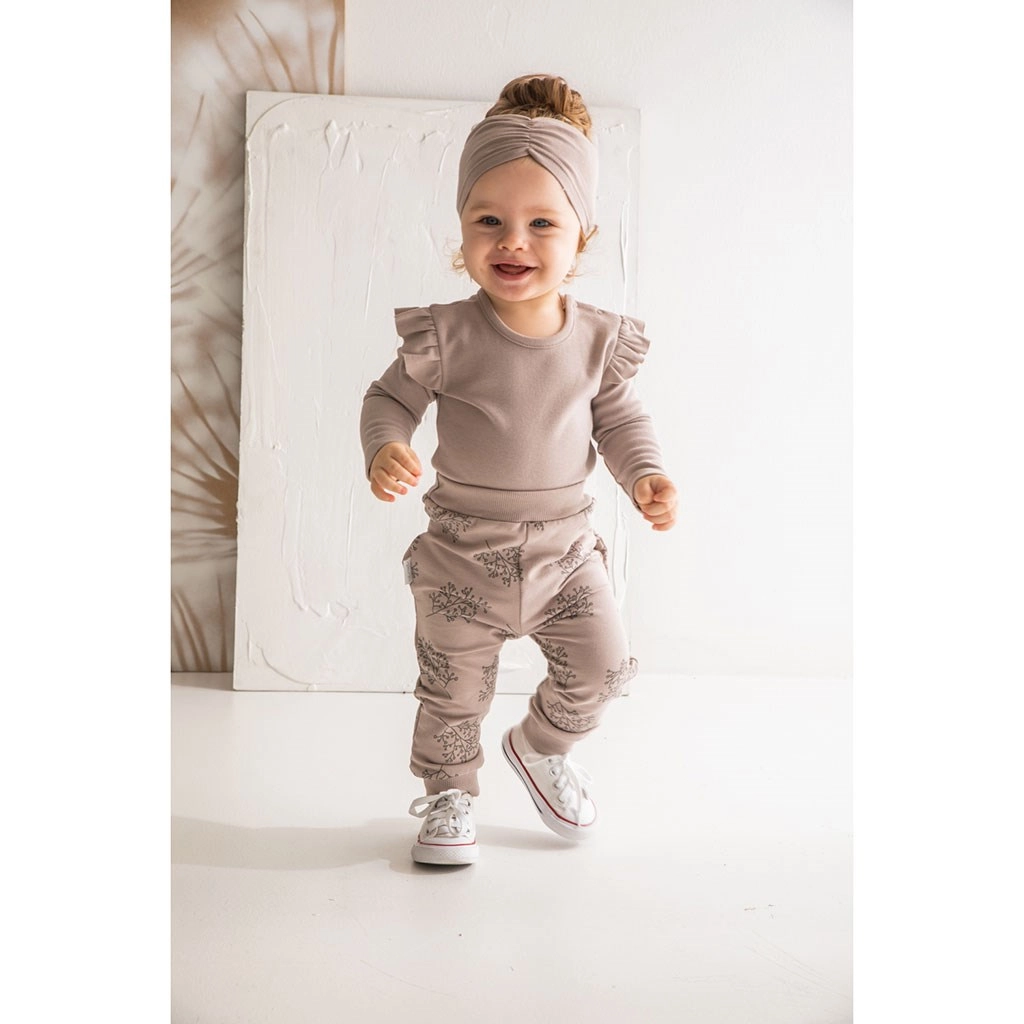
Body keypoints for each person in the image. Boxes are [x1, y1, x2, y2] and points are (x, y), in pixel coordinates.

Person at [360, 73, 678, 866]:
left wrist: (644, 474)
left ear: (581, 236)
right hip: (461, 558)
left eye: (542, 223)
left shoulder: (597, 340)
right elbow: (387, 399)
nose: (513, 241)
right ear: (462, 227)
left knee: (605, 667)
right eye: (489, 221)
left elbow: (619, 420)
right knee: (451, 690)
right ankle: (449, 794)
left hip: (566, 552)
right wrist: (386, 445)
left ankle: (540, 745)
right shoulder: (446, 336)